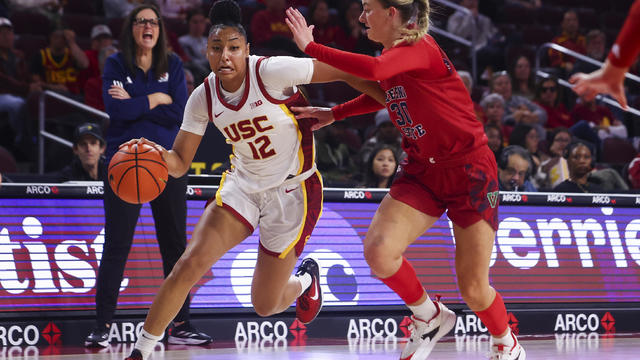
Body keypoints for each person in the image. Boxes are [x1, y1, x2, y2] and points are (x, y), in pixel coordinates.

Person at [123, 1, 384, 359]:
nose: (225, 56)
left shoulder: (272, 72)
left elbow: (340, 69)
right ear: (208, 51)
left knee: (265, 305)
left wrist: (389, 102)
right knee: (188, 264)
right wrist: (153, 155)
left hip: (293, 190)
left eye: (233, 48)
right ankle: (141, 351)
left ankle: (307, 279)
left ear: (247, 50)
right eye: (217, 48)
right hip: (243, 185)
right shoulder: (203, 96)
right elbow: (180, 163)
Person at [285, 2, 525, 359]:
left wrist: (312, 47)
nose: (362, 17)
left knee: (473, 289)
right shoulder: (392, 56)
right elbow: (388, 95)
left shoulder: (419, 48)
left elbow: (376, 70)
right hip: (421, 169)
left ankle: (505, 341)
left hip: (468, 171)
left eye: (368, 9)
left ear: (392, 13)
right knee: (379, 253)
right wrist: (336, 113)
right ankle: (428, 316)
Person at [84, 4, 212, 348]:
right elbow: (116, 110)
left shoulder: (172, 63)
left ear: (160, 29)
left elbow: (179, 113)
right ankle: (102, 326)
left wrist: (141, 101)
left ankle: (181, 324)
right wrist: (156, 97)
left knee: (175, 246)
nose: (147, 27)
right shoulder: (115, 63)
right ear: (132, 28)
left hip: (166, 162)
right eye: (141, 21)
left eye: (153, 21)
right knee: (116, 246)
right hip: (124, 164)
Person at [570, 0, 640, 110]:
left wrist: (613, 71)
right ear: (587, 45)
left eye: (600, 43)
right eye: (594, 43)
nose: (597, 46)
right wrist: (613, 71)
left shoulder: (605, 59)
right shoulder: (581, 62)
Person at [548, 9, 586, 74]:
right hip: (565, 74)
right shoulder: (557, 42)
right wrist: (564, 65)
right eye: (568, 20)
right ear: (562, 24)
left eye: (574, 20)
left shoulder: (584, 40)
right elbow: (554, 61)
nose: (572, 23)